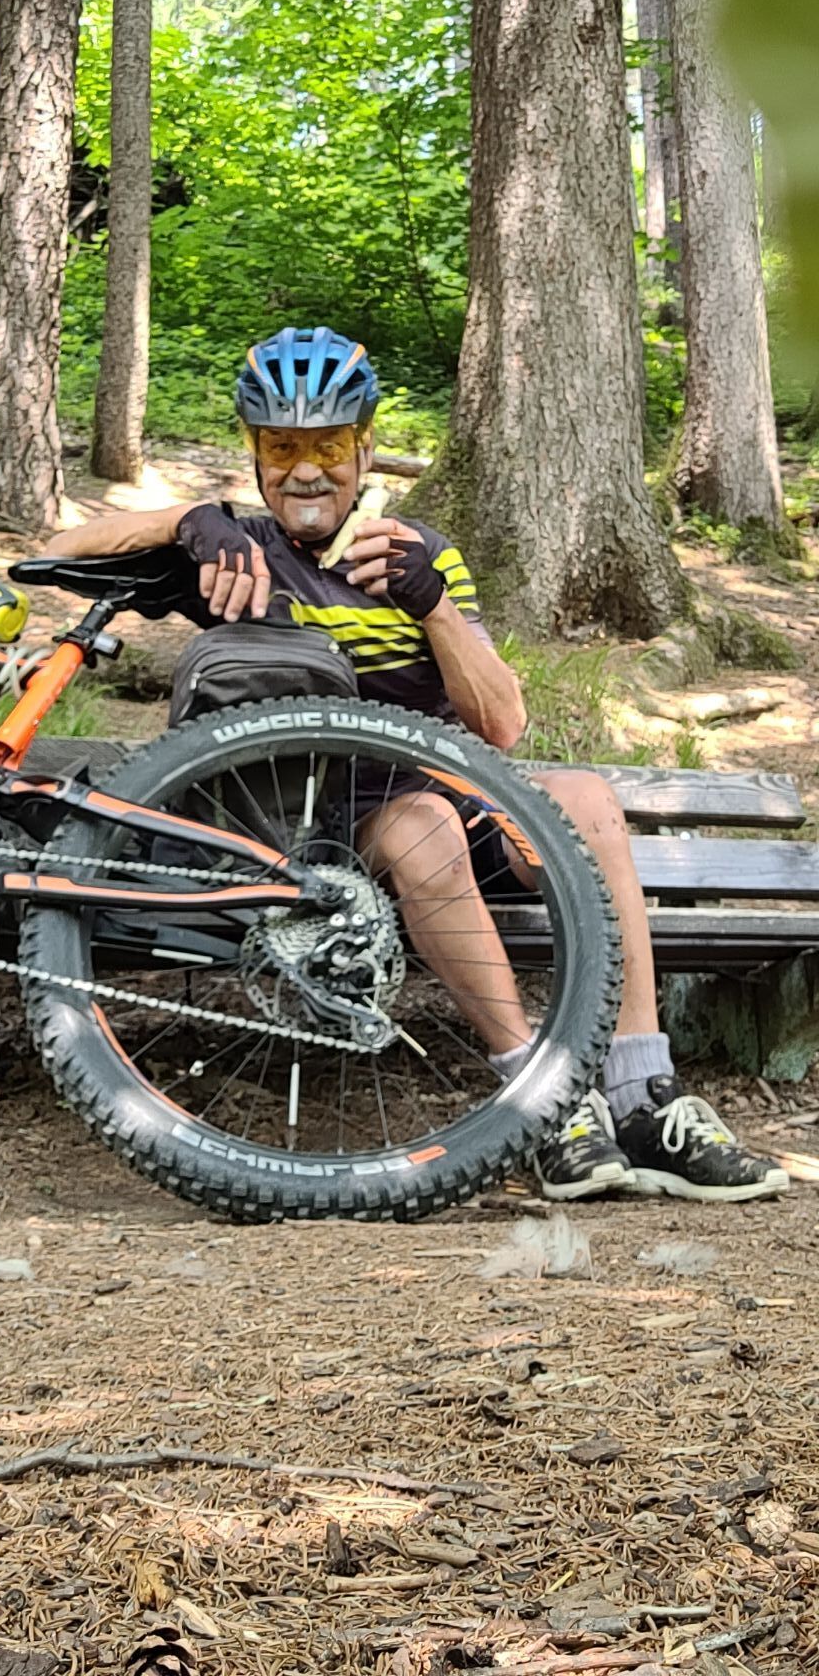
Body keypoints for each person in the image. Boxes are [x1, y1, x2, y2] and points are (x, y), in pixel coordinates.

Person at [50, 326, 787, 1204]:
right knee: (423, 823)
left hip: (447, 790)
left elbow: (502, 724)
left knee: (586, 799)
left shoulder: (416, 551)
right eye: (282, 448)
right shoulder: (234, 553)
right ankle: (539, 1099)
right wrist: (187, 522)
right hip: (315, 833)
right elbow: (60, 549)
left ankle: (643, 1094)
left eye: (328, 447)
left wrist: (432, 602)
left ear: (365, 448)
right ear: (255, 454)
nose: (306, 472)